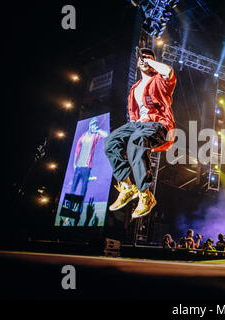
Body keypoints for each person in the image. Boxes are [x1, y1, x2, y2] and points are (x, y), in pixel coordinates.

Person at [104, 47, 176, 219]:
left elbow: (169, 71)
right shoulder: (135, 87)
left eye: (149, 57)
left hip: (158, 123)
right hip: (138, 125)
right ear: (137, 63)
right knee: (110, 142)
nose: (144, 59)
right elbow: (135, 113)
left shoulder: (160, 80)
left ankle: (145, 194)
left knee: (137, 141)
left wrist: (150, 61)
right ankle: (127, 186)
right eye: (142, 57)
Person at [71, 117, 108, 200]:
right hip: (78, 166)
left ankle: (80, 206)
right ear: (89, 125)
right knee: (73, 187)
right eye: (92, 124)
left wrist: (98, 130)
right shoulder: (82, 137)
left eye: (95, 125)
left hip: (86, 167)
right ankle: (70, 205)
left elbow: (106, 135)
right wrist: (74, 164)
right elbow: (77, 152)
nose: (93, 126)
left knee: (83, 188)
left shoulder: (95, 136)